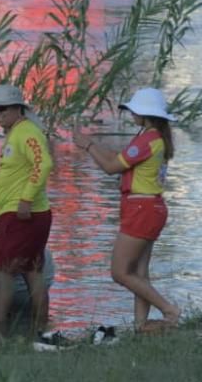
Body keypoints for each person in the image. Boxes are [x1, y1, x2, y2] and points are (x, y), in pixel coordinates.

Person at [73, 88, 181, 332]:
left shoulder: (147, 139)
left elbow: (111, 167)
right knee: (140, 273)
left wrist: (88, 145)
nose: (131, 114)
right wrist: (94, 145)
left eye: (134, 110)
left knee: (120, 272)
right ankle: (140, 326)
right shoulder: (154, 137)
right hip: (152, 207)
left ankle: (169, 310)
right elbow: (119, 158)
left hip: (141, 209)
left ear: (144, 113)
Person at [0, 84, 53, 338]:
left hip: (23, 215)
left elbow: (44, 162)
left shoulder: (27, 132)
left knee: (3, 271)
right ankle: (40, 328)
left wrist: (26, 200)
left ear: (19, 108)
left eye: (2, 109)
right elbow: (5, 181)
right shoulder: (15, 133)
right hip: (21, 214)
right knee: (31, 270)